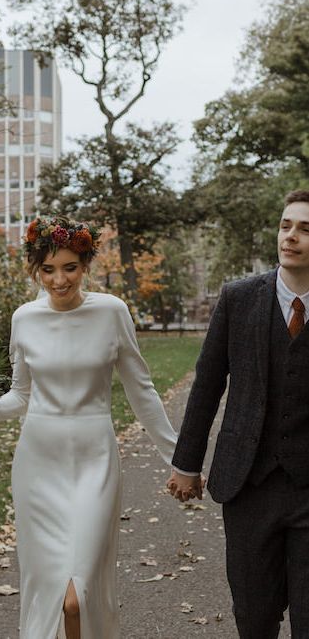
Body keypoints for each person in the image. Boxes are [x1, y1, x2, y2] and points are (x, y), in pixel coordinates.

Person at [0, 216, 178, 639]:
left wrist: (179, 458)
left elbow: (143, 392)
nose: (59, 280)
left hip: (94, 461)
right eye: (48, 269)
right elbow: (21, 395)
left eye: (69, 268)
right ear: (35, 269)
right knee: (49, 593)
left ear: (85, 266)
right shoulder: (23, 318)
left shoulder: (112, 312)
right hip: (38, 466)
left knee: (80, 592)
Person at [168, 190, 309, 638]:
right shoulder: (238, 298)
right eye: (287, 225)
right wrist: (187, 464)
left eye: (306, 229)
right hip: (249, 484)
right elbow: (207, 385)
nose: (292, 237)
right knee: (253, 615)